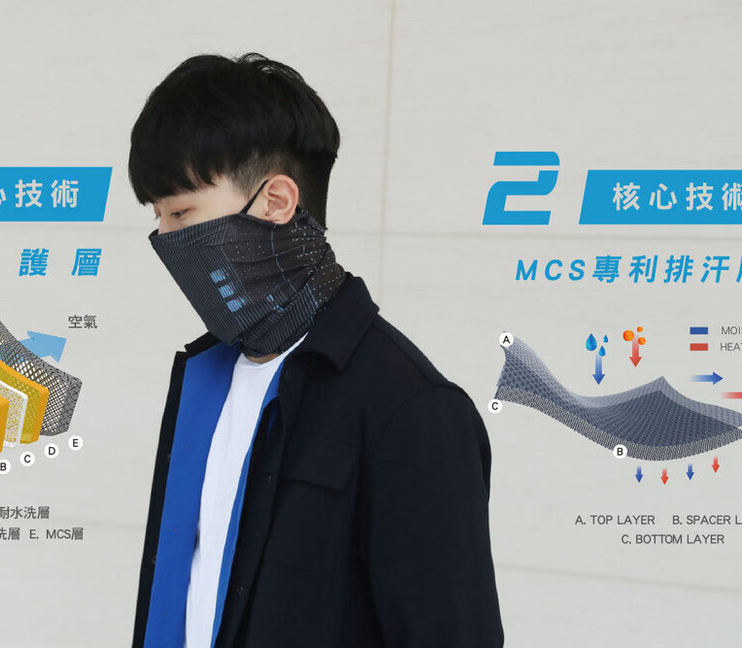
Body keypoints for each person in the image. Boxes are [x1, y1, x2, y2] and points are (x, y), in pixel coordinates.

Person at [128, 51, 504, 648]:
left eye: (180, 212)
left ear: (277, 201)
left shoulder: (411, 408)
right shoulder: (204, 378)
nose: (163, 239)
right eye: (158, 217)